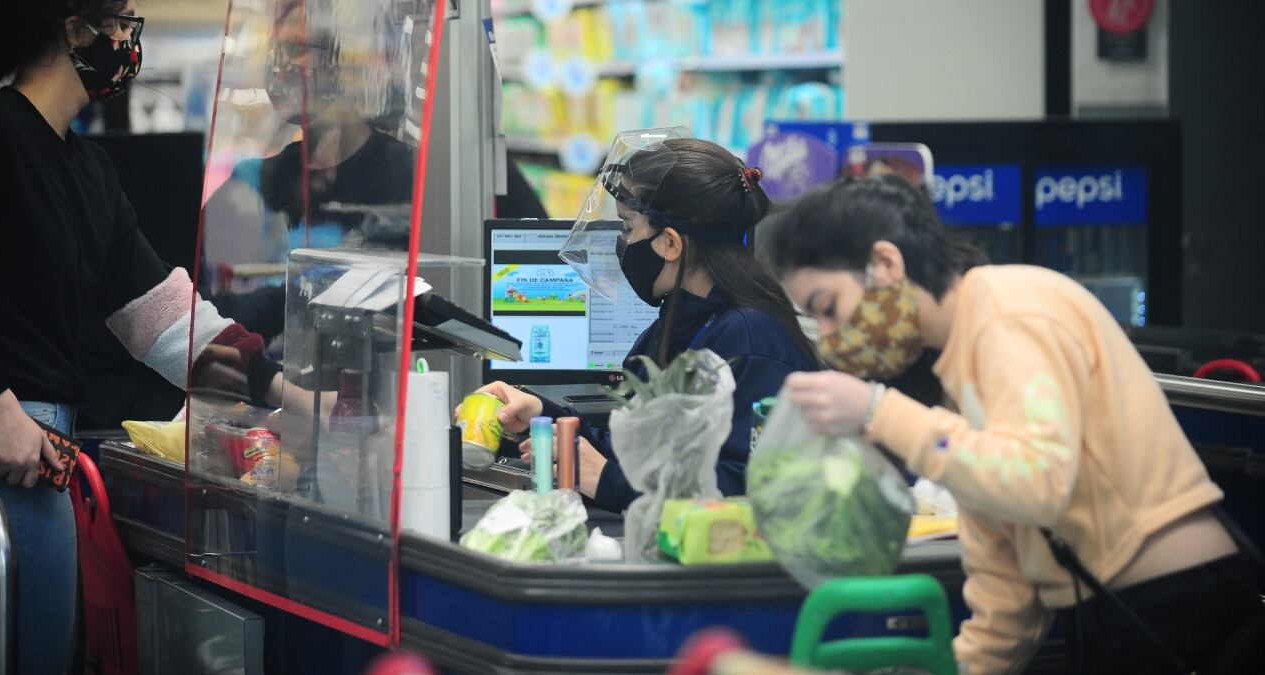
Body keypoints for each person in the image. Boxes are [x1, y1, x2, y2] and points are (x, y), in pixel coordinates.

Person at [767, 174, 1263, 675]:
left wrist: (878, 410)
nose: (828, 339)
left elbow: (1036, 481)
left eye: (828, 309)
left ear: (886, 264)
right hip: (1111, 615)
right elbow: (1005, 578)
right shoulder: (954, 371)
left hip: (1181, 608)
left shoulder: (1008, 310)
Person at [0, 0, 308, 672]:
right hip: (3, 450)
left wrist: (285, 392)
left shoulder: (84, 165)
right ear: (75, 31)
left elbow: (157, 311)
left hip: (45, 456)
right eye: (125, 24)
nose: (132, 43)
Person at [473, 131, 819, 511]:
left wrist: (606, 480)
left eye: (627, 227)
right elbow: (637, 446)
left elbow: (742, 490)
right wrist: (544, 417)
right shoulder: (680, 321)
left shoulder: (751, 344)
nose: (622, 242)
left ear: (671, 244)